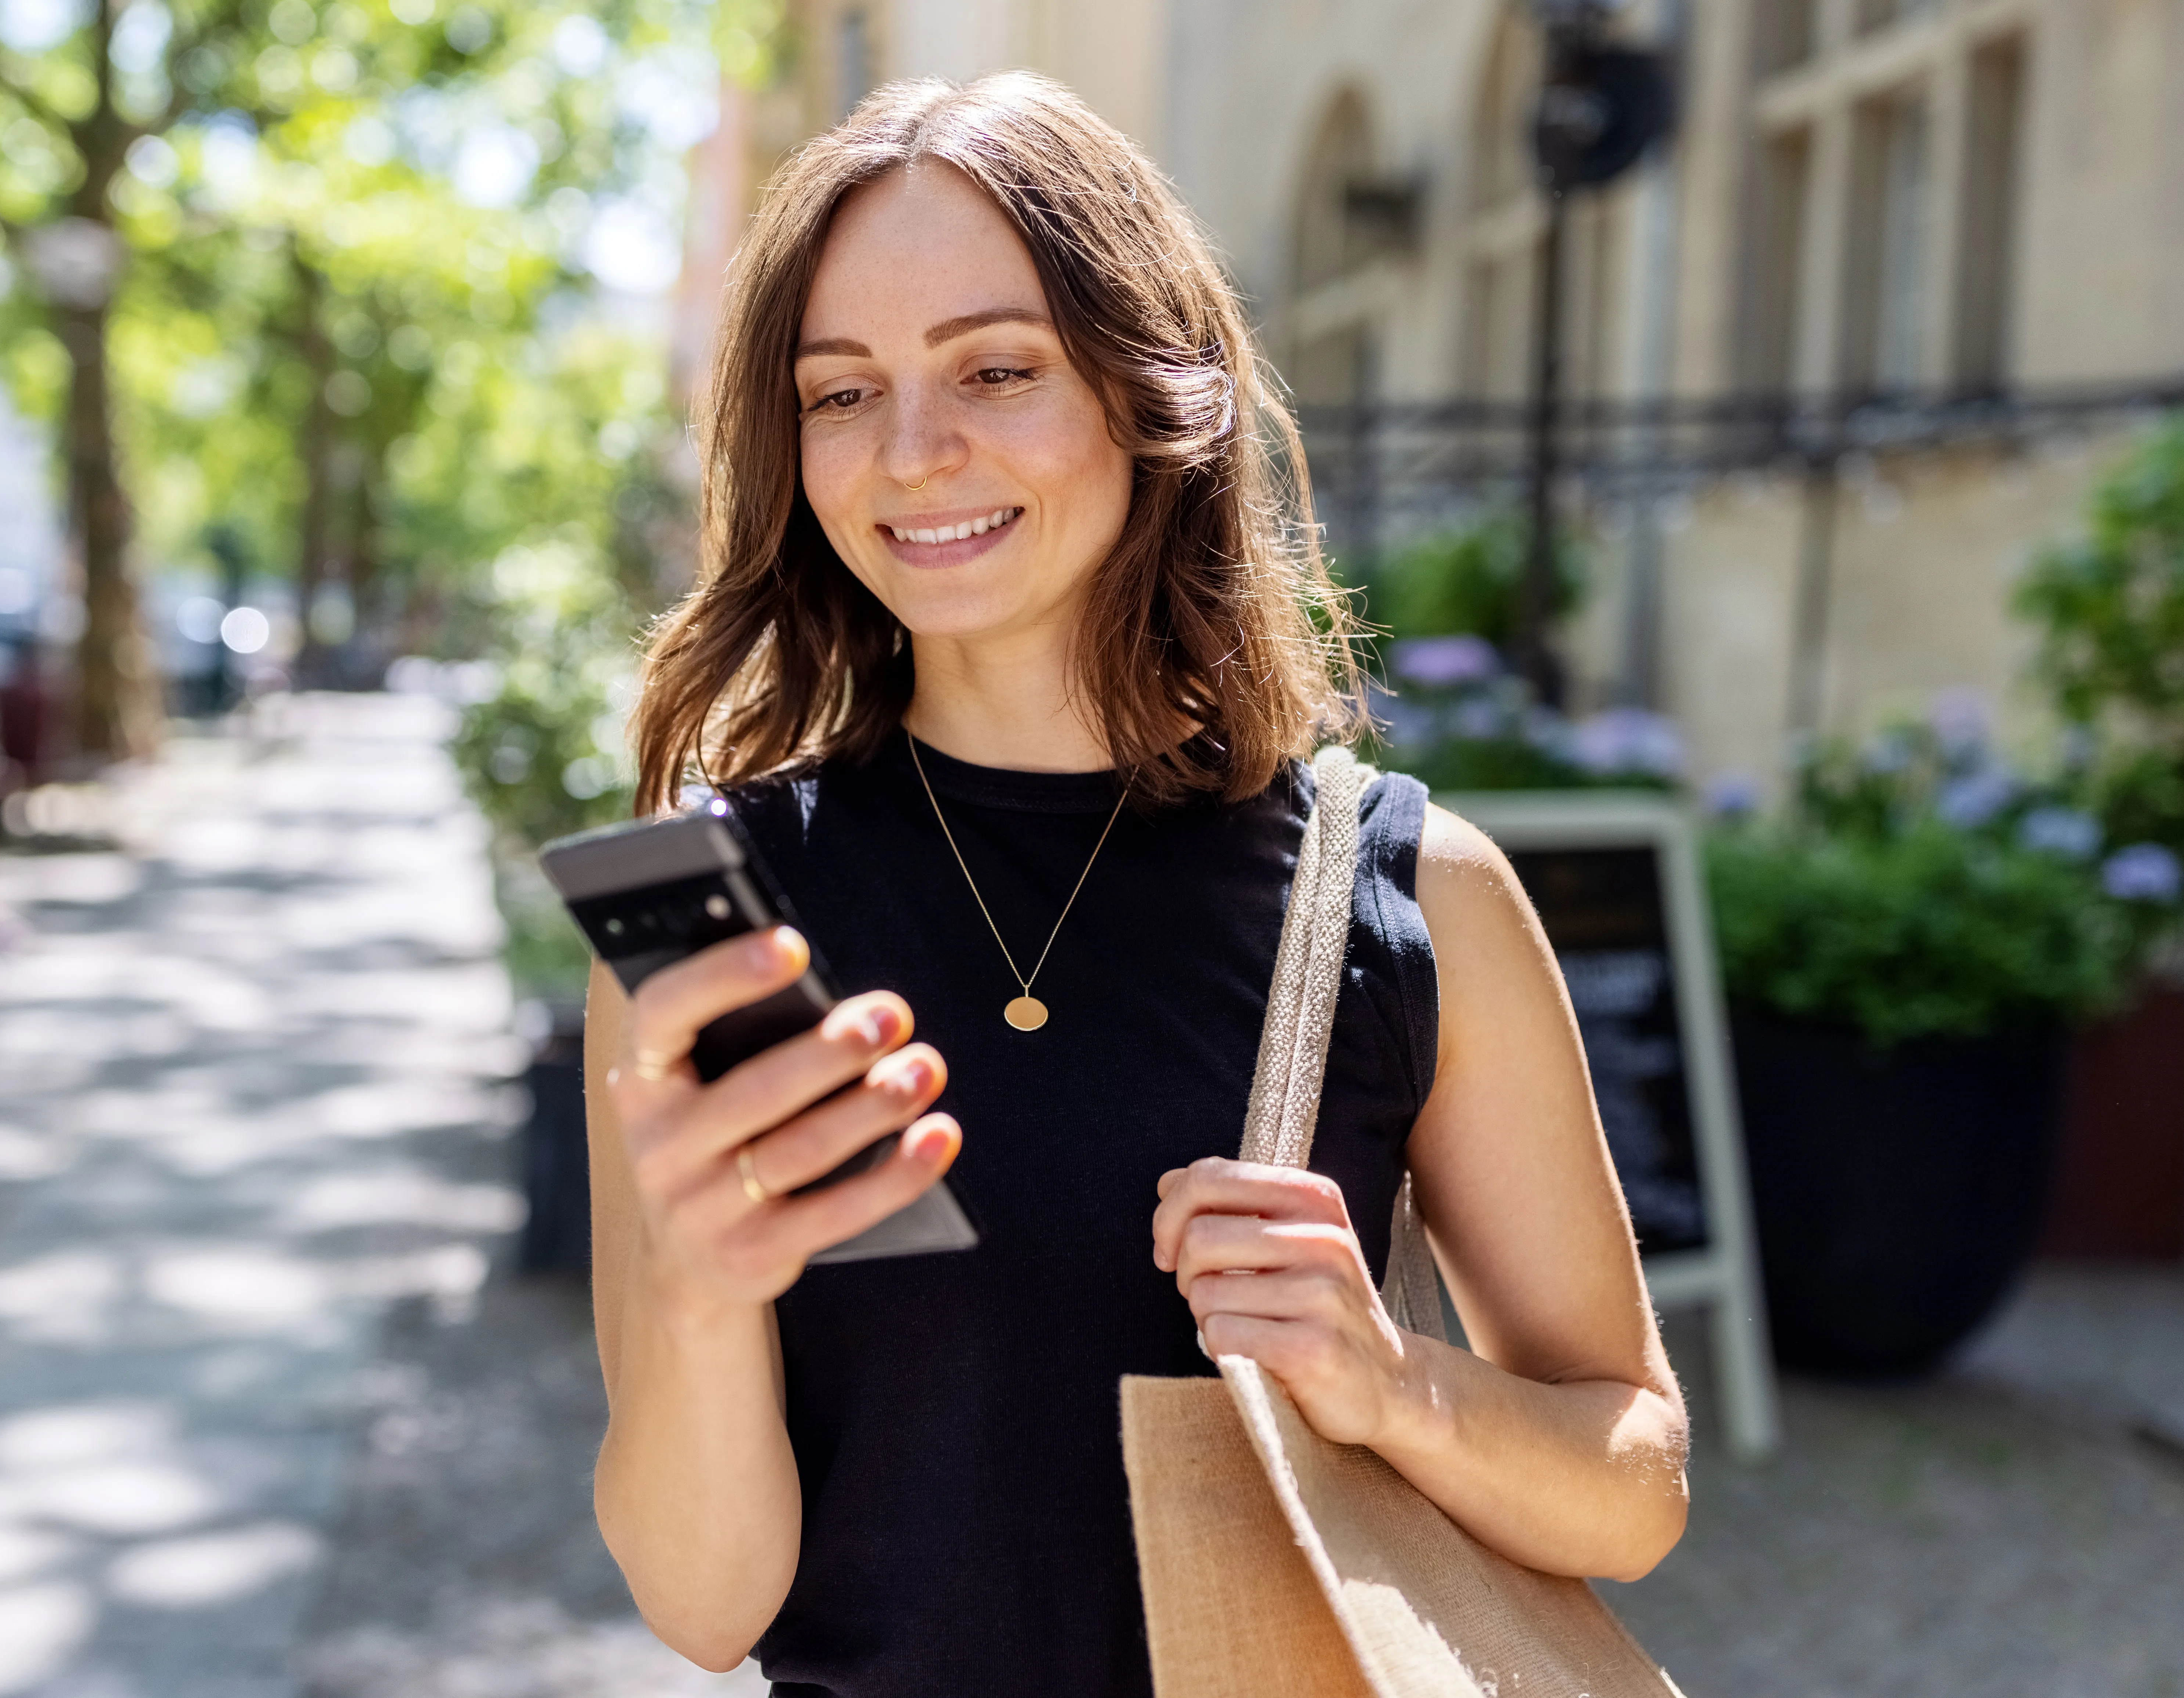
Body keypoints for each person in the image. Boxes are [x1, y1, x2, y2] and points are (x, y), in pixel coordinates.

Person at [585, 73, 1688, 1697]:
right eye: (840, 392)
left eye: (996, 368)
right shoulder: (721, 928)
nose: (912, 451)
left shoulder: (1409, 892)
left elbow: (1635, 1477)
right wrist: (695, 1293)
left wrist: (1387, 1378)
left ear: (1150, 387)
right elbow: (704, 1606)